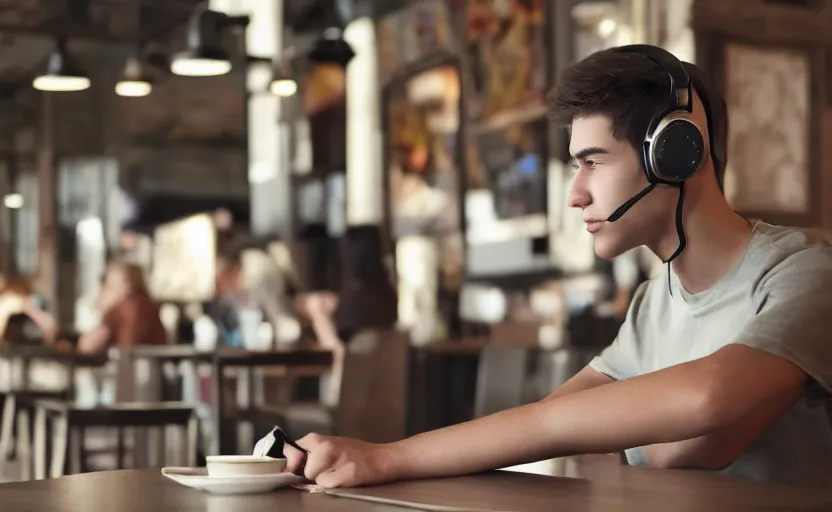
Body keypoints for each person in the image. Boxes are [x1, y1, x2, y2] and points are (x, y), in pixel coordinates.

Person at [280, 45, 832, 489]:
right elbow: (545, 422)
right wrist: (379, 458)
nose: (576, 194)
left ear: (676, 153)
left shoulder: (805, 272)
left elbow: (707, 416)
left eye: (593, 162)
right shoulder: (653, 302)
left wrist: (620, 435)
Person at [77, 261, 166, 353]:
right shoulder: (138, 307)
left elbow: (126, 349)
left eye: (110, 286)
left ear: (128, 287)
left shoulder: (130, 309)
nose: (103, 290)